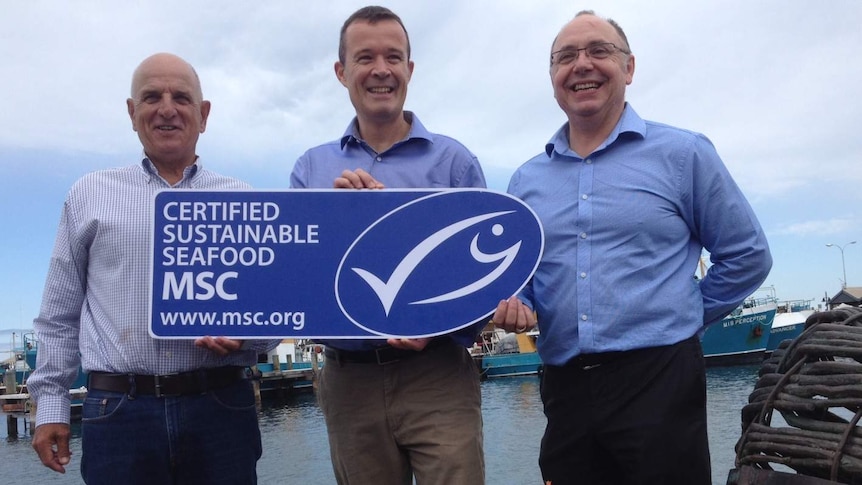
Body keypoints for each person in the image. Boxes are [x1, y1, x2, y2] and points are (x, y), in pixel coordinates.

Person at [492, 10, 773, 485]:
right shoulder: (525, 181)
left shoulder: (684, 155)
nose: (581, 64)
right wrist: (520, 302)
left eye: (599, 51)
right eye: (566, 57)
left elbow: (747, 255)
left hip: (659, 380)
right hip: (564, 386)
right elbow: (527, 279)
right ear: (553, 77)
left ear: (629, 68)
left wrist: (683, 315)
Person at [290, 6, 531, 485]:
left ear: (410, 69)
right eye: (365, 58)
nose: (381, 69)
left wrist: (436, 325)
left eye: (393, 57)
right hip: (348, 379)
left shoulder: (456, 164)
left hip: (438, 373)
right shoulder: (309, 170)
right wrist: (341, 223)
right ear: (342, 72)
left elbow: (482, 281)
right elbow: (302, 282)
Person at [27, 52, 278, 485]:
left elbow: (275, 315)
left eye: (181, 97)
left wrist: (247, 335)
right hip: (118, 412)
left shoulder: (244, 200)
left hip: (220, 407)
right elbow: (59, 314)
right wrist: (50, 406)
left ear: (203, 114)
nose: (166, 108)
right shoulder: (89, 193)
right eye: (151, 97)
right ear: (132, 112)